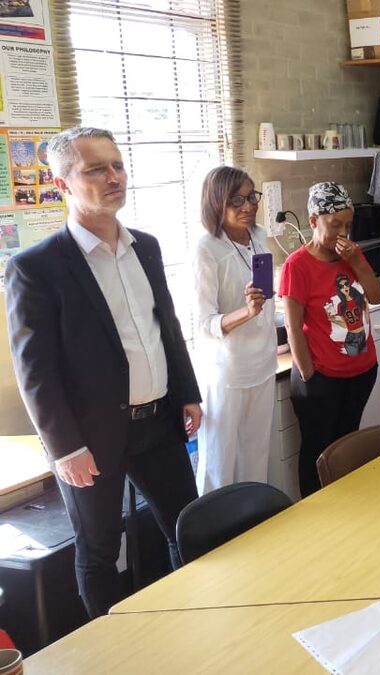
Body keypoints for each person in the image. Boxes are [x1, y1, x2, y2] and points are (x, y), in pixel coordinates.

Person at [5, 127, 203, 617]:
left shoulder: (147, 248)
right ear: (63, 184)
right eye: (96, 169)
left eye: (117, 165)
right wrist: (64, 447)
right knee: (98, 551)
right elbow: (35, 370)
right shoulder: (36, 267)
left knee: (187, 527)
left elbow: (168, 330)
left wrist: (187, 393)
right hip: (91, 437)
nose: (114, 177)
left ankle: (196, 619)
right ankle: (111, 649)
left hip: (159, 421)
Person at [280, 182, 380, 496]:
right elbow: (293, 327)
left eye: (347, 226)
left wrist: (356, 262)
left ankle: (347, 505)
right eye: (334, 225)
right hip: (322, 378)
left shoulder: (352, 255)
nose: (343, 234)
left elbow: (376, 295)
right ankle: (317, 513)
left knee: (347, 446)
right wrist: (309, 374)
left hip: (361, 371)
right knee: (317, 451)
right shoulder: (296, 265)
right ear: (313, 221)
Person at [191, 166, 276, 493]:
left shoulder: (259, 235)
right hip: (227, 372)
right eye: (236, 200)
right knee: (218, 463)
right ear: (216, 204)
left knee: (256, 456)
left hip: (263, 363)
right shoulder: (207, 249)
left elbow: (265, 298)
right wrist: (247, 311)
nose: (248, 206)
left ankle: (252, 527)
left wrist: (263, 307)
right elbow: (204, 323)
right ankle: (213, 537)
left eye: (251, 197)